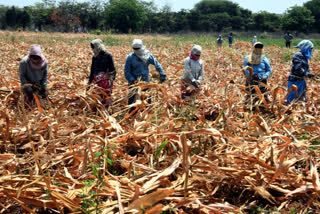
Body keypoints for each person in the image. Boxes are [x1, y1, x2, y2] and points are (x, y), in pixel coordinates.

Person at [124, 39, 166, 110]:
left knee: (147, 101)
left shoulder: (147, 55)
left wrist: (162, 74)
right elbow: (126, 71)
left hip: (145, 82)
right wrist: (132, 79)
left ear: (141, 47)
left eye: (138, 48)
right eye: (135, 49)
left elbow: (157, 65)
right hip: (134, 83)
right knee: (132, 102)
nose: (136, 50)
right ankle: (131, 115)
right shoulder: (130, 57)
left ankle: (146, 114)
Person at [287, 40, 319, 104]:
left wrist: (313, 76)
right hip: (295, 82)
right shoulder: (298, 55)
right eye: (310, 48)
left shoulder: (304, 57)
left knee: (300, 100)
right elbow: (298, 69)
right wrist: (308, 74)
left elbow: (305, 70)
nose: (311, 50)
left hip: (301, 81)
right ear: (305, 47)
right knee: (293, 101)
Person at [88, 39, 116, 107]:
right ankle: (98, 112)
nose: (92, 50)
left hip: (105, 81)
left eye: (93, 47)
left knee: (106, 97)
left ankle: (106, 112)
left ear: (98, 47)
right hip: (96, 81)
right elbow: (92, 70)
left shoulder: (108, 56)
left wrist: (111, 79)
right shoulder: (94, 57)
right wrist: (89, 83)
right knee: (97, 98)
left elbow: (112, 69)